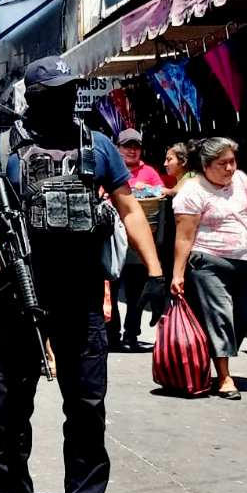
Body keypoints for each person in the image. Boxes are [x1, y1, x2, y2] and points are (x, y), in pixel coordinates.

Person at [0, 56, 169, 493]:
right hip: (17, 298)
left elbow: (129, 208)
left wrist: (155, 274)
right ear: (33, 97)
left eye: (70, 90)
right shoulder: (0, 148)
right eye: (54, 93)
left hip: (81, 298)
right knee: (10, 410)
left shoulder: (98, 145)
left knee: (87, 409)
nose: (66, 99)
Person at [171, 137, 247, 401]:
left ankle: (210, 361)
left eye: (232, 162)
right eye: (222, 163)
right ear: (205, 165)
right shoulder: (192, 192)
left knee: (244, 318)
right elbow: (184, 237)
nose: (229, 168)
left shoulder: (240, 181)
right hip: (207, 262)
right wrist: (177, 274)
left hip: (244, 262)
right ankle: (224, 377)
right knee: (219, 316)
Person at [108, 129, 164, 352]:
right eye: (127, 146)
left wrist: (148, 188)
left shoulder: (149, 172)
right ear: (118, 149)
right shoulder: (111, 169)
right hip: (114, 240)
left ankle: (131, 335)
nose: (132, 150)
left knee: (136, 293)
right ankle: (112, 334)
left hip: (139, 244)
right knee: (111, 291)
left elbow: (162, 193)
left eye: (136, 146)